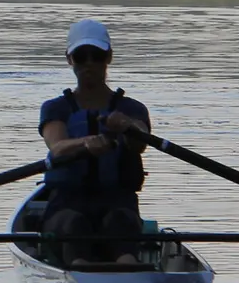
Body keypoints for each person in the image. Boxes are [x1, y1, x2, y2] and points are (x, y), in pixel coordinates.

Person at [38, 18, 153, 267]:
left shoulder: (131, 109)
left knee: (120, 223)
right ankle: (82, 270)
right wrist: (86, 144)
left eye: (97, 55)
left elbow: (141, 142)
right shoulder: (56, 108)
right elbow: (57, 148)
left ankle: (128, 269)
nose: (89, 63)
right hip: (67, 203)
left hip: (118, 201)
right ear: (70, 59)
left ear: (108, 57)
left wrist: (128, 127)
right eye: (81, 56)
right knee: (74, 225)